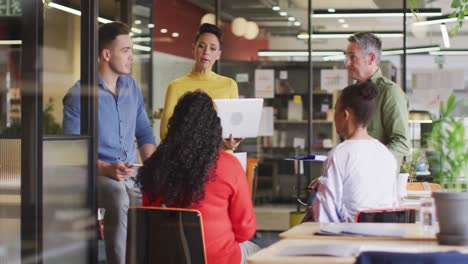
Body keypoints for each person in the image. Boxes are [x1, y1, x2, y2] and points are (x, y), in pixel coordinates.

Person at [62, 21, 156, 264]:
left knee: (158, 193)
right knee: (118, 194)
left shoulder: (131, 88)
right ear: (106, 54)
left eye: (131, 50)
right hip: (96, 173)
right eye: (125, 50)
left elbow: (145, 133)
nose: (131, 57)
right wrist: (106, 168)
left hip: (130, 173)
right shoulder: (79, 95)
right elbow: (73, 153)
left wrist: (156, 168)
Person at [137, 91, 259, 264]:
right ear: (213, 125)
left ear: (176, 124)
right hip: (217, 259)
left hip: (164, 257)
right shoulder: (229, 166)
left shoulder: (156, 165)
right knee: (258, 251)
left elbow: (149, 220)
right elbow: (245, 230)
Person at [313, 81, 398, 222]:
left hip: (350, 237)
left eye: (335, 110)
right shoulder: (386, 154)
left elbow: (325, 215)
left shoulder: (339, 154)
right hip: (385, 238)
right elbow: (393, 204)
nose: (334, 116)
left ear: (345, 115)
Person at [159, 23, 241, 150]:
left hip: (220, 159)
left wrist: (232, 142)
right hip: (188, 159)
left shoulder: (229, 85)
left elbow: (233, 128)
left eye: (213, 48)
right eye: (201, 46)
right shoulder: (176, 86)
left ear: (219, 54)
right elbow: (165, 133)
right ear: (193, 48)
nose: (206, 52)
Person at [345, 32, 410, 166]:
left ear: (370, 58)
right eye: (347, 57)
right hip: (353, 175)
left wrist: (369, 161)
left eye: (352, 57)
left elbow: (401, 143)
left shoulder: (390, 92)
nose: (347, 63)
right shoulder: (351, 93)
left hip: (379, 180)